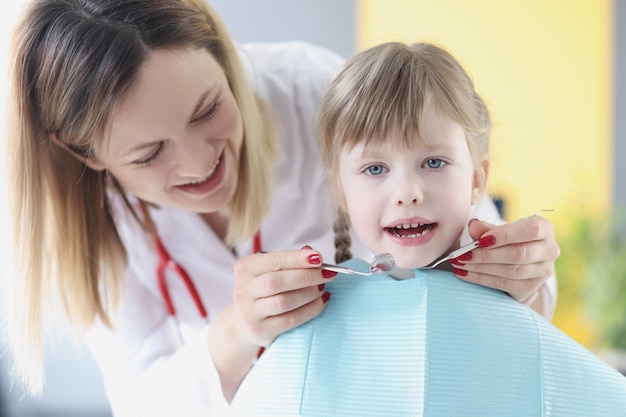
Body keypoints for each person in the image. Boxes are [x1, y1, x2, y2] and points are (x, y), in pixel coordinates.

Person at [2, 1, 559, 415]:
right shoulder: (96, 227)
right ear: (84, 153)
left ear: (224, 62)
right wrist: (233, 335)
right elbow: (142, 403)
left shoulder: (317, 94)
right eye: (149, 154)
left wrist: (525, 274)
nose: (199, 163)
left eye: (207, 110)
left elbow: (498, 278)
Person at [230, 41, 626, 417]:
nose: (406, 193)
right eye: (375, 168)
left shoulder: (518, 294)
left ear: (477, 178)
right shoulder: (310, 322)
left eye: (433, 162)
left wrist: (530, 301)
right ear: (341, 192)